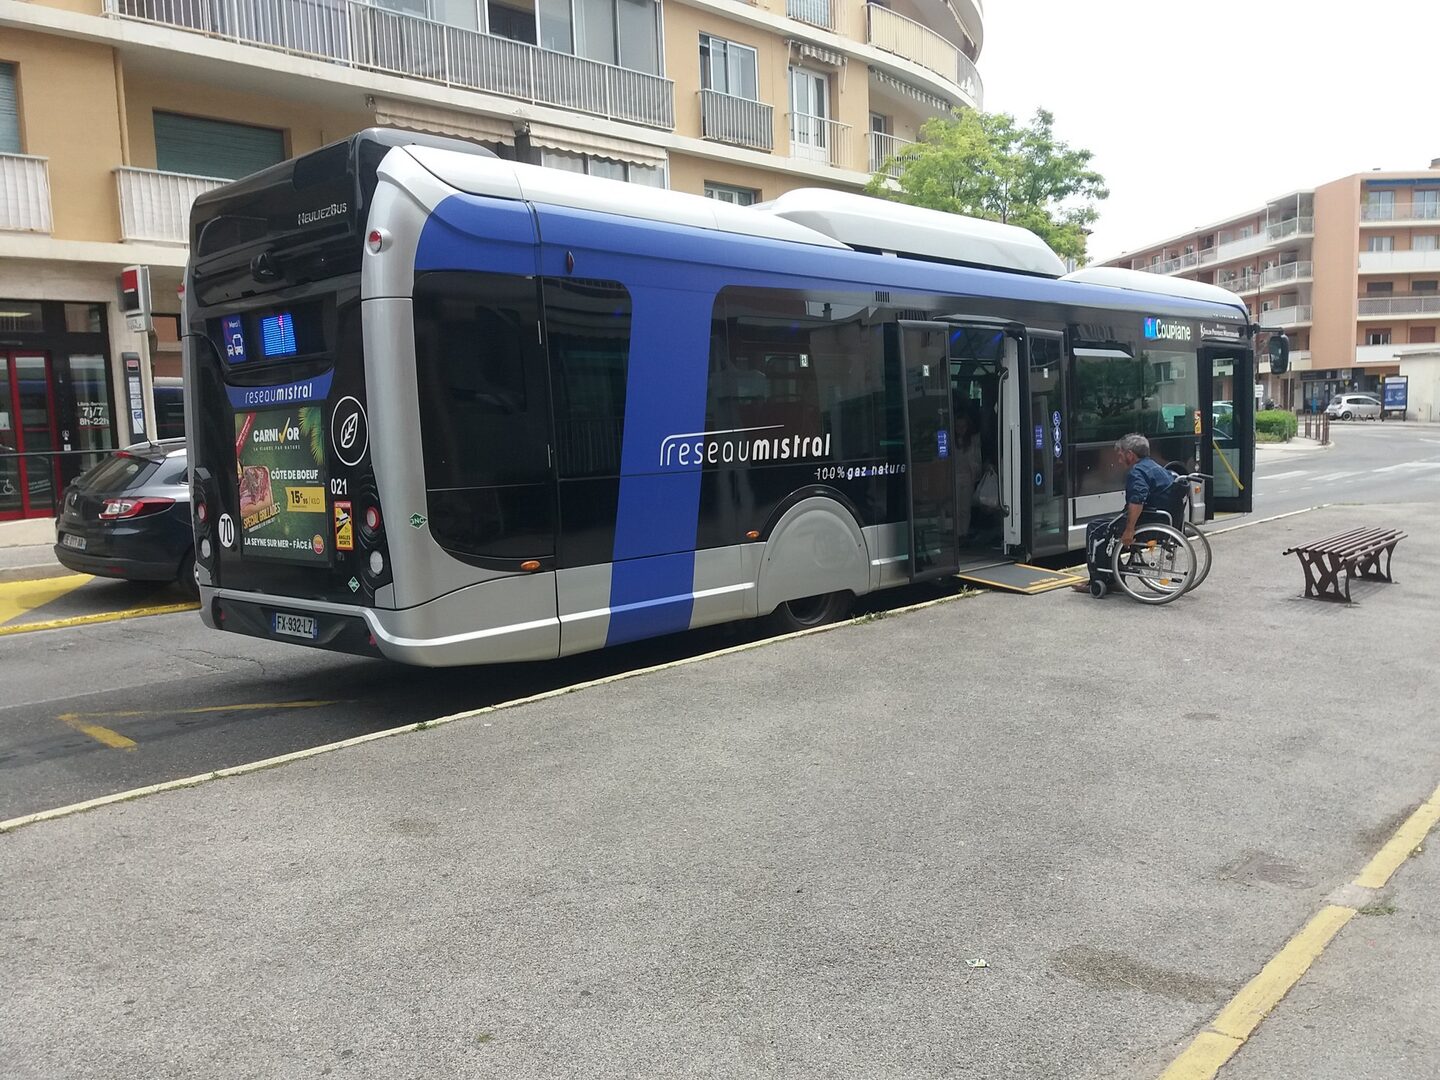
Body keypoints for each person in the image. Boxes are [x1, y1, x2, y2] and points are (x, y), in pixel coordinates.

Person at [1074, 433, 1178, 592]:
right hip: (1160, 520)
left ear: (1130, 454)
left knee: (1095, 529)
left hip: (1146, 522)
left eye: (1120, 455)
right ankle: (1114, 577)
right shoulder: (1155, 467)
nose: (1119, 460)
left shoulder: (1136, 472)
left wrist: (1129, 530)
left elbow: (1137, 500)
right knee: (1107, 527)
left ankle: (1099, 580)